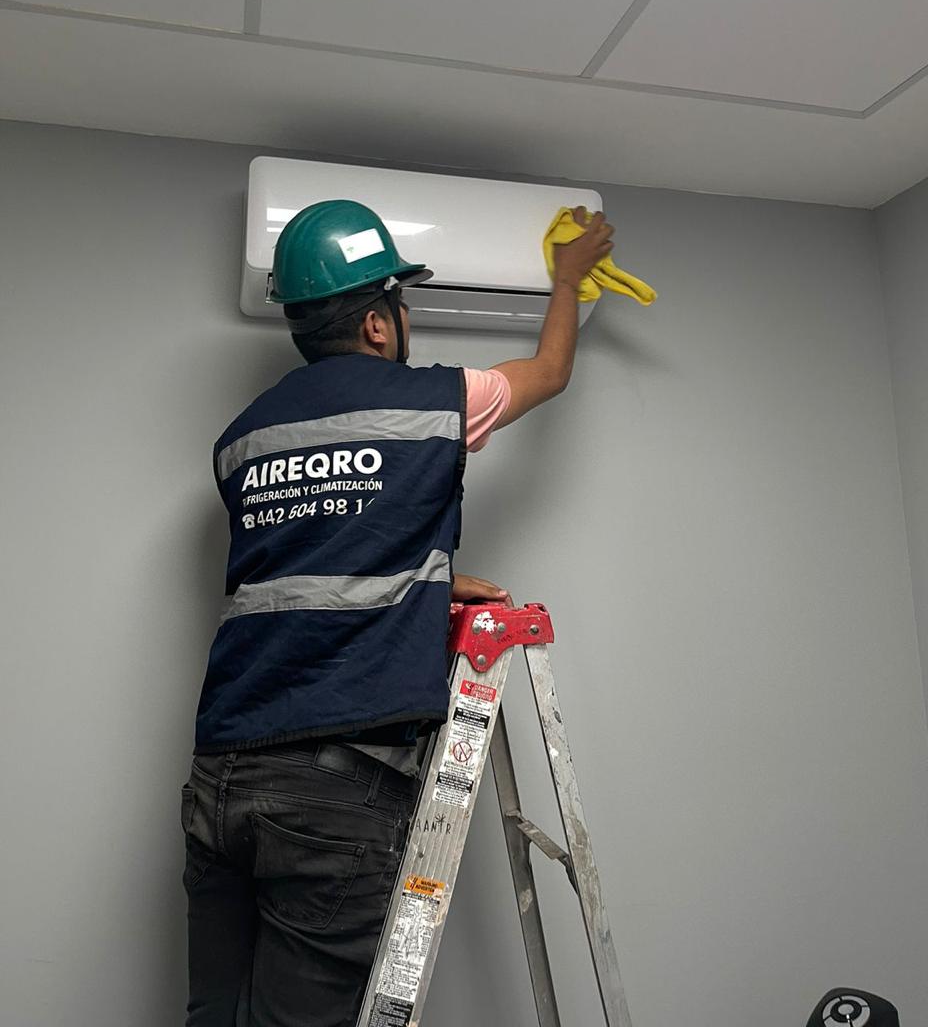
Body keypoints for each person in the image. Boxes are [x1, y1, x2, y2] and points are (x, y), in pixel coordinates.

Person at [181, 198, 615, 1026]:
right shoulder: (438, 401)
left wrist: (423, 581)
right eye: (402, 304)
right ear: (379, 324)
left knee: (214, 1016)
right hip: (332, 785)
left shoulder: (241, 439)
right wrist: (566, 280)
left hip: (221, 776)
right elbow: (550, 371)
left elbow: (305, 563)